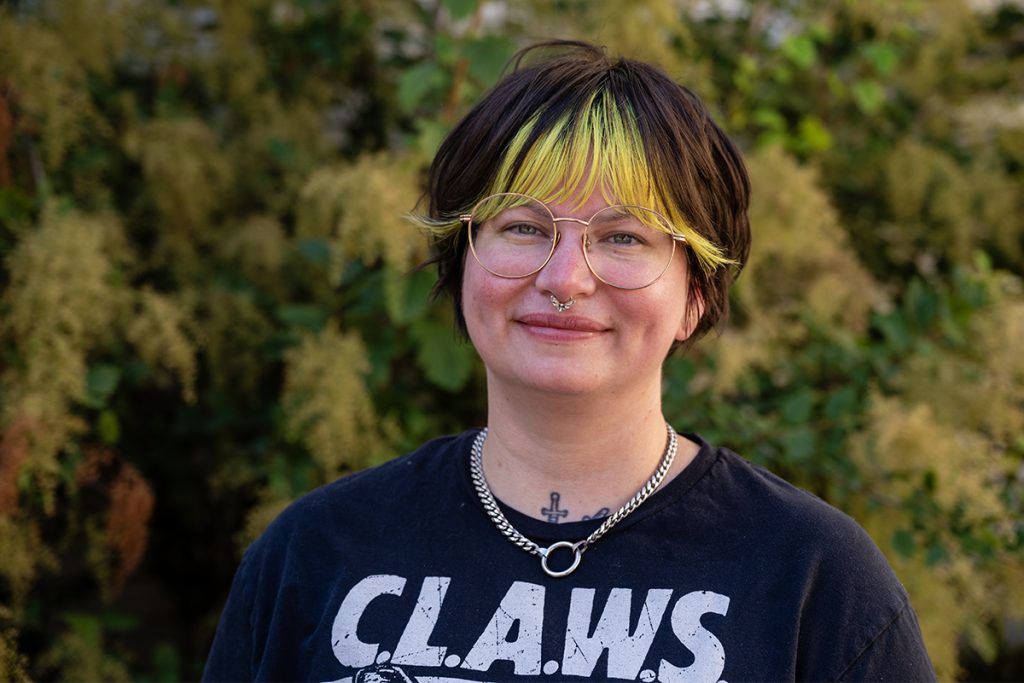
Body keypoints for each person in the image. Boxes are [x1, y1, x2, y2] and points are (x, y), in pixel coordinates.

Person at [203, 41, 936, 682]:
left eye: (623, 238)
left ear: (696, 296)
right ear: (461, 265)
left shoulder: (812, 575)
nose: (564, 278)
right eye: (522, 226)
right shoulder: (316, 553)